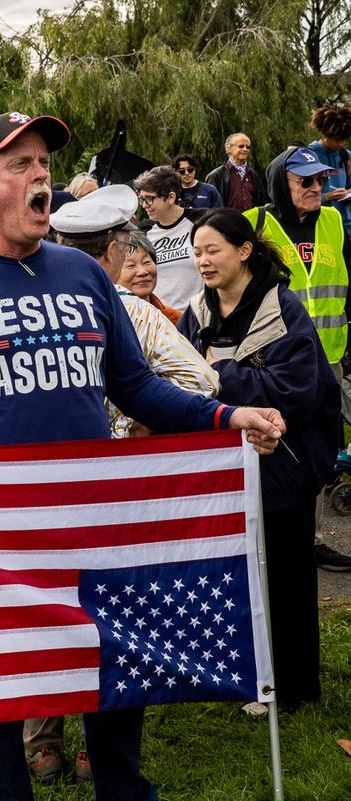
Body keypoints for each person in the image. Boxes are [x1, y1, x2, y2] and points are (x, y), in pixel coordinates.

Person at [0, 110, 285, 801]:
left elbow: (136, 385)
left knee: (115, 664)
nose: (40, 176)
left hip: (91, 520)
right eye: (20, 164)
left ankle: (123, 790)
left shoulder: (84, 275)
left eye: (45, 164)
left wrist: (227, 415)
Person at [23, 185, 219, 783]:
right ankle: (87, 746)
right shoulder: (129, 310)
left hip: (58, 484)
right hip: (100, 489)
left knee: (49, 609)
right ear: (115, 250)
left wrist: (138, 418)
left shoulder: (89, 309)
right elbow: (201, 380)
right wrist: (142, 424)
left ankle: (48, 743)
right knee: (102, 614)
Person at [179, 208, 340, 708]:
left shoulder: (283, 308)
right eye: (197, 252)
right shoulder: (197, 311)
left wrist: (220, 373)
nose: (203, 261)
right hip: (225, 469)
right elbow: (180, 376)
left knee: (287, 579)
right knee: (243, 580)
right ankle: (252, 675)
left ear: (245, 251)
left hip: (285, 468)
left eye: (213, 250)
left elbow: (295, 392)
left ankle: (294, 689)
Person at [245, 145, 351, 572]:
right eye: (305, 180)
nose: (316, 187)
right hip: (275, 361)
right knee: (271, 446)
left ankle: (311, 539)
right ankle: (263, 539)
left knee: (319, 450)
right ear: (279, 182)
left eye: (321, 179)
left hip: (330, 356)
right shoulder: (254, 223)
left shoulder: (334, 220)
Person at [134, 166, 203, 309]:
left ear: (171, 197)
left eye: (150, 199)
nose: (145, 205)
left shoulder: (201, 220)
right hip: (160, 315)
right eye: (142, 199)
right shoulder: (143, 230)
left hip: (197, 313)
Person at [117, 230, 182, 324]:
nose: (142, 272)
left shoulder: (175, 319)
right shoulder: (105, 322)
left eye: (146, 262)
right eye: (131, 265)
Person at [308, 103, 351, 236]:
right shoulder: (309, 156)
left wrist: (348, 193)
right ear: (325, 134)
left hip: (346, 226)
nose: (341, 144)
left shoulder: (346, 156)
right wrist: (326, 197)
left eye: (344, 139)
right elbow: (300, 195)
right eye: (337, 139)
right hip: (320, 226)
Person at [204, 133, 267, 212]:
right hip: (226, 219)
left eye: (248, 147)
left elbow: (261, 201)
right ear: (230, 148)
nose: (245, 149)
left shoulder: (253, 175)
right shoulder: (216, 175)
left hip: (251, 219)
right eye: (241, 146)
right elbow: (210, 205)